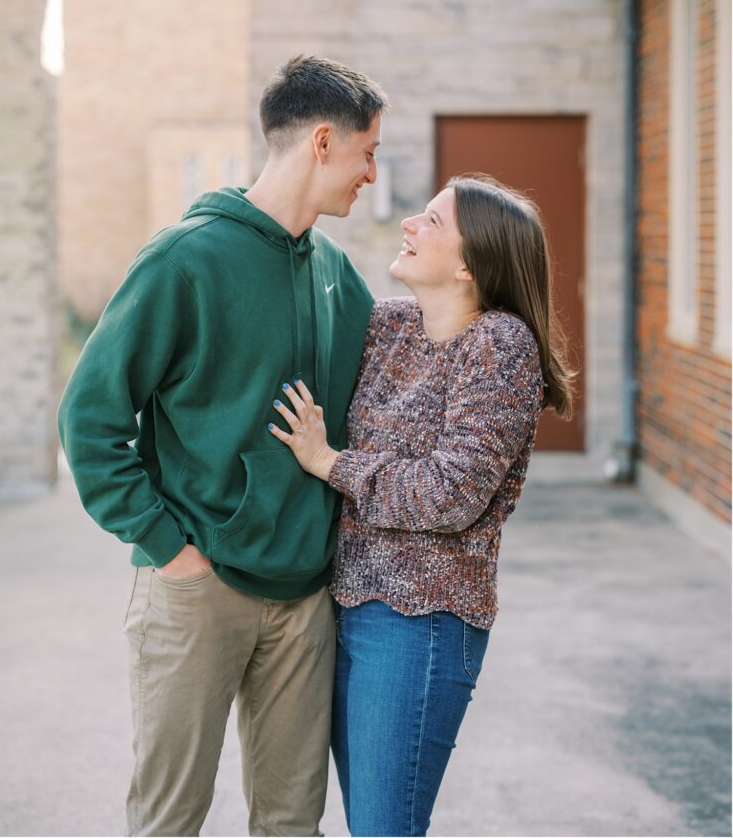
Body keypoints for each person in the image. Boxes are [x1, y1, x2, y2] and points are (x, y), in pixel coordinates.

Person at [57, 55, 388, 837]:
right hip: (195, 589)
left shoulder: (339, 273)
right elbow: (91, 418)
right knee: (170, 820)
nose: (373, 173)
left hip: (304, 597)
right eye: (367, 151)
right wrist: (168, 548)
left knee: (290, 823)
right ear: (320, 142)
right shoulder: (185, 259)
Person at [269, 173, 575, 838]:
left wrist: (330, 463)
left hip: (420, 624)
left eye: (433, 221)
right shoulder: (391, 325)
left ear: (469, 264)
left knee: (384, 828)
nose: (410, 224)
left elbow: (450, 493)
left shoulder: (499, 345)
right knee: (363, 822)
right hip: (343, 605)